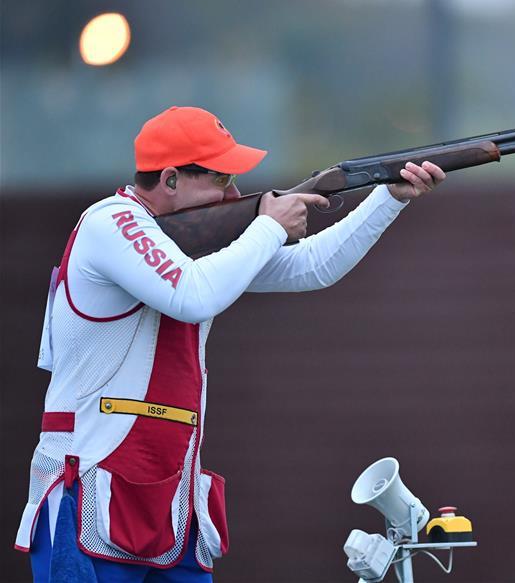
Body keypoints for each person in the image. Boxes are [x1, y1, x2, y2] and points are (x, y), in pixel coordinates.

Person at [14, 106, 445, 582]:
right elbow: (192, 295)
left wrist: (389, 197)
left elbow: (314, 267)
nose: (236, 194)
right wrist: (267, 227)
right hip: (87, 497)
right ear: (171, 179)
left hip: (168, 507)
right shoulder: (110, 222)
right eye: (221, 179)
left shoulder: (190, 246)